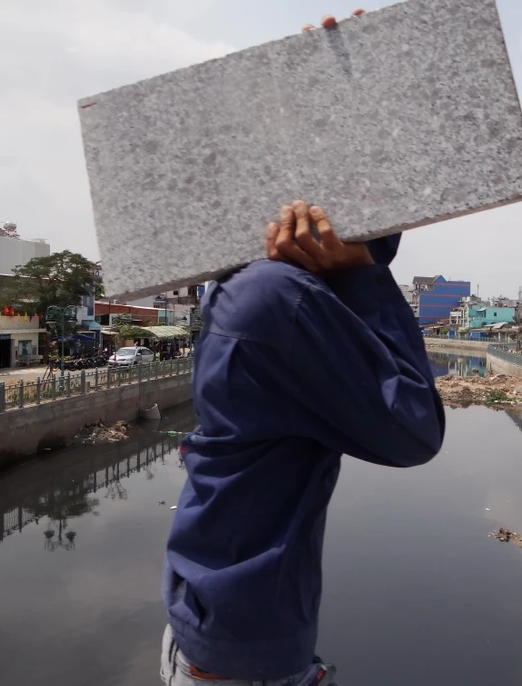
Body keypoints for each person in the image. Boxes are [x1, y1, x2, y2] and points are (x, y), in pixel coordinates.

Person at [161, 197, 445, 684]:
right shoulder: (281, 296)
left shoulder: (244, 285)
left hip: (221, 620)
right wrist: (362, 277)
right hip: (244, 654)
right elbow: (416, 428)